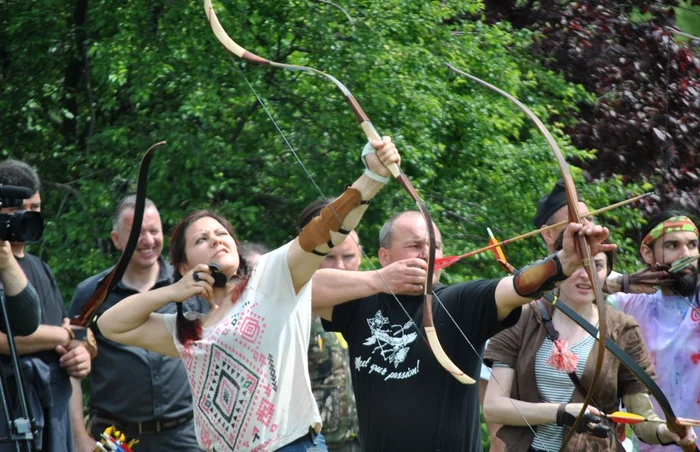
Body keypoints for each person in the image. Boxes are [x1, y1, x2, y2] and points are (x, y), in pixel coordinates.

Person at [96, 138, 401, 451]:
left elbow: (322, 232)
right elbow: (111, 324)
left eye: (222, 234)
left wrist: (372, 178)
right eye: (202, 239)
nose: (216, 240)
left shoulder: (270, 278)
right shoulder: (188, 329)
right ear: (185, 264)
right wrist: (172, 291)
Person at [311, 208, 614, 451]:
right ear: (384, 256)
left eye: (435, 246)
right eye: (415, 246)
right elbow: (302, 290)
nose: (427, 254)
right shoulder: (360, 304)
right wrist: (378, 280)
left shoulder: (459, 302)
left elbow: (519, 286)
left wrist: (563, 261)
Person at [483, 238, 696, 451]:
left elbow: (642, 419)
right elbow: (494, 407)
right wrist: (562, 413)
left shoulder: (623, 330)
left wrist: (665, 432)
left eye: (597, 265)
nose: (585, 274)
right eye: (576, 264)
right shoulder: (521, 317)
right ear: (560, 267)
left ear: (607, 273)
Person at [68, 196, 207, 451]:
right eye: (136, 233)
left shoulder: (190, 286)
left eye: (154, 231)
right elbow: (70, 370)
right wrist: (80, 439)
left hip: (185, 434)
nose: (148, 240)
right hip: (114, 436)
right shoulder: (91, 293)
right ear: (116, 239)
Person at [0, 160, 94, 452]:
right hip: (8, 413)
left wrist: (84, 351)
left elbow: (75, 330)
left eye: (35, 208)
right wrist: (62, 337)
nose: (28, 217)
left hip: (53, 412)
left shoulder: (42, 268)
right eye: (18, 209)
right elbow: (4, 340)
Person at [608, 208, 700, 451]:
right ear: (647, 253)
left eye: (692, 245)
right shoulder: (629, 305)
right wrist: (622, 283)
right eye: (673, 246)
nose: (686, 255)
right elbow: (562, 293)